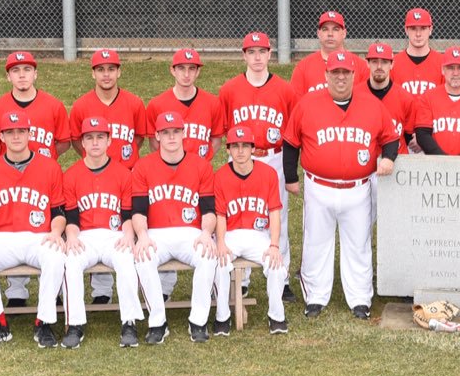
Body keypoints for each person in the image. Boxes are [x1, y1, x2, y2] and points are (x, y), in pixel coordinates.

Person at [283, 52, 401, 320]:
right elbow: (291, 143)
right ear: (326, 75)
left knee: (358, 244)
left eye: (345, 73)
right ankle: (315, 297)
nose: (340, 77)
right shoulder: (307, 104)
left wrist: (389, 158)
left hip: (358, 188)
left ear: (354, 75)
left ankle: (360, 299)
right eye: (335, 72)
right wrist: (291, 177)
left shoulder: (371, 105)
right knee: (315, 243)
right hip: (319, 187)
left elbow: (391, 137)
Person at [0, 111, 71, 349]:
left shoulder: (50, 167)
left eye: (21, 131)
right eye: (10, 132)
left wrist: (56, 232)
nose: (16, 136)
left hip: (39, 237)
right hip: (2, 237)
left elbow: (59, 213)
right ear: (1, 137)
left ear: (29, 134)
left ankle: (43, 323)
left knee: (56, 257)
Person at [61, 117, 163, 348]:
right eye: (89, 137)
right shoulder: (72, 174)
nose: (95, 142)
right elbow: (72, 218)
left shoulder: (123, 174)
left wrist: (128, 234)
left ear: (109, 141)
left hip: (114, 234)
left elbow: (127, 215)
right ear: (83, 143)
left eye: (100, 137)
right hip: (85, 235)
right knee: (71, 262)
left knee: (127, 260)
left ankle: (129, 322)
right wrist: (73, 236)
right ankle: (75, 324)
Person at [0, 52, 72, 309]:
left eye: (27, 69)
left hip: (43, 175)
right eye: (16, 70)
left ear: (36, 74)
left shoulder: (53, 105)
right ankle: (16, 292)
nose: (22, 74)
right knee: (10, 221)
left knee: (45, 227)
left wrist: (46, 160)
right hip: (7, 177)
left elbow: (63, 143)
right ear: (7, 75)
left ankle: (52, 293)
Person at [219, 31, 299, 303]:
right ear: (244, 55)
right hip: (239, 158)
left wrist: (289, 170)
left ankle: (282, 277)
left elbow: (292, 133)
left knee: (279, 218)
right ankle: (240, 279)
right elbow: (225, 129)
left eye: (262, 51)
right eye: (251, 52)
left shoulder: (285, 90)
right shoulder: (229, 90)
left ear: (269, 54)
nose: (257, 57)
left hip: (273, 157)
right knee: (240, 217)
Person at [130, 112, 222, 343]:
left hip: (190, 232)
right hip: (156, 234)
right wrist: (141, 235)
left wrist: (205, 232)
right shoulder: (143, 166)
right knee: (142, 257)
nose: (171, 137)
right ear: (158, 136)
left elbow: (209, 209)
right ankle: (157, 322)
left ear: (184, 133)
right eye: (166, 133)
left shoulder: (200, 166)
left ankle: (198, 321)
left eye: (176, 132)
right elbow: (139, 210)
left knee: (208, 255)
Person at [69, 49, 149, 306]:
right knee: (96, 223)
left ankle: (128, 290)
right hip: (91, 173)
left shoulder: (134, 103)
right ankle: (101, 292)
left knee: (121, 228)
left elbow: (138, 138)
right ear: (93, 73)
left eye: (111, 69)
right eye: (101, 69)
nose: (106, 74)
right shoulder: (81, 105)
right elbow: (75, 140)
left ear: (119, 71)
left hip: (125, 174)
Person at [212, 126, 290, 335]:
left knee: (275, 265)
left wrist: (274, 245)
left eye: (245, 146)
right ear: (227, 150)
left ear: (253, 149)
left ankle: (277, 317)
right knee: (219, 264)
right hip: (231, 235)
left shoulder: (268, 173)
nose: (240, 151)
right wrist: (220, 243)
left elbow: (274, 212)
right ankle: (222, 318)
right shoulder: (219, 176)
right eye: (235, 146)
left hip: (258, 235)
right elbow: (220, 215)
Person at [146, 49, 224, 163]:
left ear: (198, 72)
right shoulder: (156, 105)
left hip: (200, 170)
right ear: (173, 70)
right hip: (169, 170)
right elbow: (154, 143)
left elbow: (216, 141)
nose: (186, 74)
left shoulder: (212, 103)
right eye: (181, 68)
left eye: (191, 68)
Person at [413, 47, 460, 156]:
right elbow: (422, 134)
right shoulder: (428, 97)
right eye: (450, 68)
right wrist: (444, 161)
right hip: (435, 164)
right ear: (443, 70)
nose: (455, 73)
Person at [364, 42, 421, 154]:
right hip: (364, 161)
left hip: (398, 161)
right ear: (367, 63)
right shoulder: (355, 94)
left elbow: (410, 136)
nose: (379, 67)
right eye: (375, 61)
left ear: (392, 64)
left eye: (384, 62)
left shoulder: (405, 98)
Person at [293, 10, 367, 93]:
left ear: (344, 33)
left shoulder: (361, 67)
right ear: (318, 33)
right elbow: (296, 103)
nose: (330, 34)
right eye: (325, 29)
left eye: (335, 29)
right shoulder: (303, 67)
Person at [390, 8, 444, 96]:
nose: (418, 34)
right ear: (406, 30)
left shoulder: (442, 62)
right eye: (413, 28)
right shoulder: (393, 63)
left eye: (423, 28)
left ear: (430, 29)